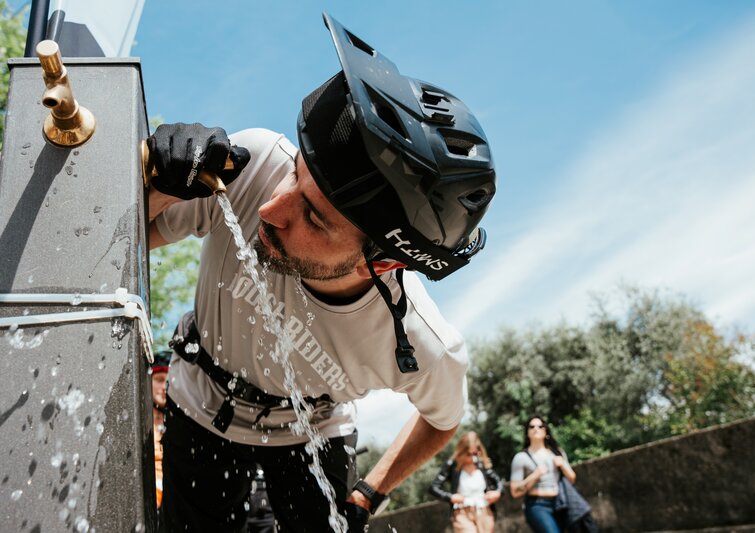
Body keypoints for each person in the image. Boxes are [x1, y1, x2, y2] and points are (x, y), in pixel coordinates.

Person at [147, 13, 496, 533]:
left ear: (383, 262)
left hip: (314, 430)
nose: (270, 209)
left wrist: (368, 493)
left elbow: (443, 420)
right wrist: (157, 177)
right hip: (200, 401)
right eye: (295, 177)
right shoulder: (254, 163)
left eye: (313, 217)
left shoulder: (422, 344)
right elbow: (132, 237)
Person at [509, 416, 578, 533]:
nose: (536, 429)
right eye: (532, 427)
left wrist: (563, 465)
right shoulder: (521, 458)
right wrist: (534, 475)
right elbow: (514, 491)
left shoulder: (557, 452)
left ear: (546, 431)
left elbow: (572, 479)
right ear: (527, 432)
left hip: (560, 503)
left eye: (540, 426)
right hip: (537, 505)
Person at [429, 431, 503, 533]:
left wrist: (497, 492)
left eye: (475, 453)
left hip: (484, 510)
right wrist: (450, 497)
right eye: (469, 454)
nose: (473, 457)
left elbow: (499, 483)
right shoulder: (452, 465)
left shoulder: (482, 463)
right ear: (462, 451)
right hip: (462, 512)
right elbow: (433, 487)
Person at [149, 349, 171, 509]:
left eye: (169, 380)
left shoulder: (180, 426)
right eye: (159, 379)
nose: (164, 386)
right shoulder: (138, 426)